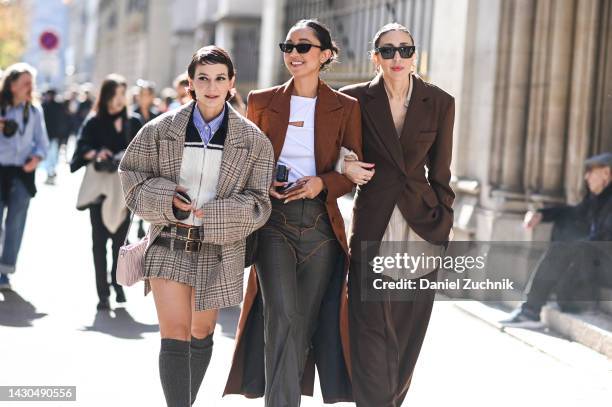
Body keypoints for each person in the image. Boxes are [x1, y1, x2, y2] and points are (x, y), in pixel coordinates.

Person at [119, 46, 274, 407]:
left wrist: (215, 216)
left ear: (232, 84)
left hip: (219, 250)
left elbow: (260, 202)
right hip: (168, 243)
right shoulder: (160, 129)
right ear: (190, 83)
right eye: (202, 78)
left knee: (200, 333)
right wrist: (166, 198)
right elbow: (131, 175)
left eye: (220, 78)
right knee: (173, 336)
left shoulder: (253, 140)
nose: (211, 86)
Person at [224, 19, 363, 406]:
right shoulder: (262, 101)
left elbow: (352, 172)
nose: (294, 54)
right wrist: (262, 180)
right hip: (274, 223)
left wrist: (323, 183)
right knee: (281, 316)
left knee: (302, 325)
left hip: (321, 228)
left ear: (325, 55)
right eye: (288, 46)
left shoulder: (346, 107)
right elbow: (244, 160)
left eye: (304, 47)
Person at [339, 22, 455, 407]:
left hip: (422, 225)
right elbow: (336, 153)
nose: (397, 58)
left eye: (404, 49)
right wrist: (345, 166)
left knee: (407, 329)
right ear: (375, 58)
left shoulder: (439, 101)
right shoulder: (353, 100)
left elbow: (441, 173)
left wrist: (444, 223)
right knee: (369, 325)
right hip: (374, 220)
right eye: (387, 51)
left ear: (414, 55)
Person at [502, 152, 612, 325]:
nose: (586, 176)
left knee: (564, 247)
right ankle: (550, 299)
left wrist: (572, 246)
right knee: (565, 227)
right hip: (595, 262)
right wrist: (541, 215)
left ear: (606, 173)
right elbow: (573, 213)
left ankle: (531, 311)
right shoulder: (596, 199)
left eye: (591, 171)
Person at [70, 74, 143, 310]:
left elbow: (145, 153)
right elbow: (80, 150)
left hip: (124, 191)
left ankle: (117, 283)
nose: (120, 99)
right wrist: (95, 154)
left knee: (120, 243)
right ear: (107, 95)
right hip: (100, 190)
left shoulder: (134, 121)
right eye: (116, 94)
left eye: (123, 94)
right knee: (99, 242)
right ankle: (102, 293)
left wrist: (125, 157)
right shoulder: (94, 121)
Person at [0, 63, 49, 290]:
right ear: (12, 85)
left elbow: (43, 143)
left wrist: (36, 158)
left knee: (15, 223)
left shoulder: (34, 111)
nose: (30, 87)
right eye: (25, 83)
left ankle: (6, 271)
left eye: (32, 83)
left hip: (22, 173)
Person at [41, 88, 70, 185]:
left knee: (52, 155)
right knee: (49, 156)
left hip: (53, 136)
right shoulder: (45, 106)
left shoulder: (54, 106)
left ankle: (51, 173)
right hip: (48, 136)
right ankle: (50, 173)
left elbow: (62, 122)